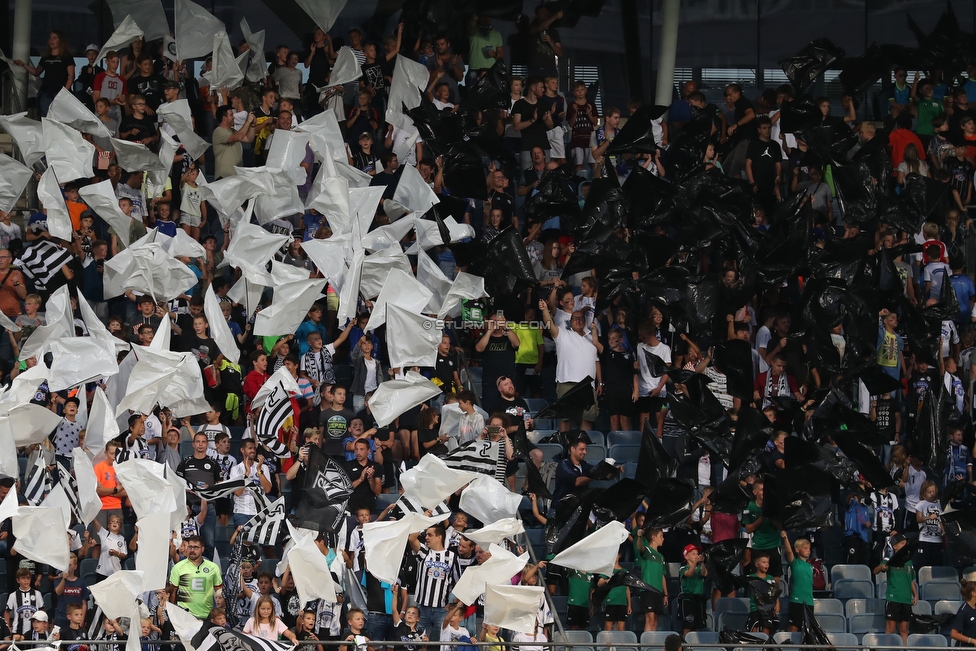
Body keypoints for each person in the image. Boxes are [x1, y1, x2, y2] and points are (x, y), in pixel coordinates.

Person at [13, 31, 74, 117]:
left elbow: (71, 76)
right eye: (50, 38)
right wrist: (23, 64)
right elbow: (36, 72)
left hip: (60, 89)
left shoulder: (66, 56)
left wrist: (64, 92)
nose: (51, 40)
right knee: (45, 113)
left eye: (54, 38)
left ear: (60, 40)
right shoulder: (46, 57)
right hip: (47, 90)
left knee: (60, 115)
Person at [873, 533, 917, 645]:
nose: (904, 545)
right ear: (895, 546)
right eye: (902, 543)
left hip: (906, 599)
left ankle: (904, 648)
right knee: (890, 629)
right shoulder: (889, 559)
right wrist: (882, 567)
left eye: (905, 543)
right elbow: (875, 571)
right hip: (893, 598)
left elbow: (911, 580)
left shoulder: (909, 562)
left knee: (904, 629)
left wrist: (915, 595)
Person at [168, 535, 222, 619]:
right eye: (190, 547)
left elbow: (219, 591)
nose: (192, 550)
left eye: (196, 547)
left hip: (207, 615)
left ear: (202, 549)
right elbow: (173, 592)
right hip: (184, 615)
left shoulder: (213, 567)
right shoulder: (178, 567)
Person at [782, 531, 813, 633]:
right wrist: (786, 538)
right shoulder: (795, 563)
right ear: (797, 550)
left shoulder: (810, 566)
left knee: (808, 629)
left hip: (809, 601)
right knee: (793, 627)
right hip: (797, 600)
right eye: (805, 548)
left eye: (809, 548)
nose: (808, 550)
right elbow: (789, 552)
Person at [950, 574, 976, 647]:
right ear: (973, 593)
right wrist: (972, 640)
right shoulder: (964, 610)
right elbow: (954, 634)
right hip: (964, 648)